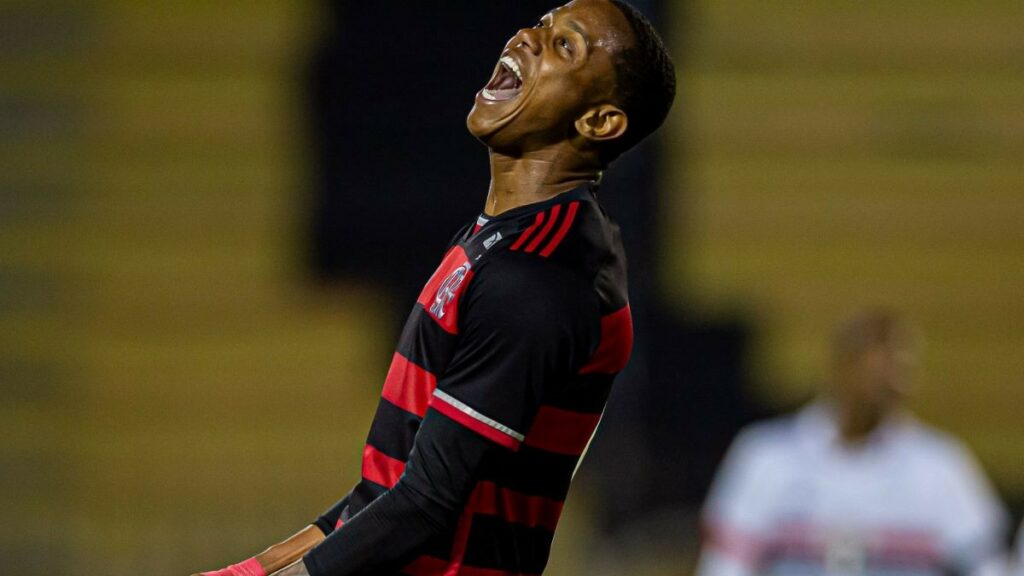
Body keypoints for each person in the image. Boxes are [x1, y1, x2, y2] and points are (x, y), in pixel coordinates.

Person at [193, 1, 676, 575]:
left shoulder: (538, 278)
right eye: (541, 25)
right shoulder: (501, 237)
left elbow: (428, 503)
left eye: (564, 47)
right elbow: (387, 490)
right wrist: (252, 570)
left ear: (599, 122)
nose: (526, 37)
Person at [697, 309, 1009, 576]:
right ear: (843, 366)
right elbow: (724, 568)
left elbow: (989, 566)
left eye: (902, 368)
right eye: (879, 366)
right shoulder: (765, 456)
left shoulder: (941, 465)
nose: (892, 381)